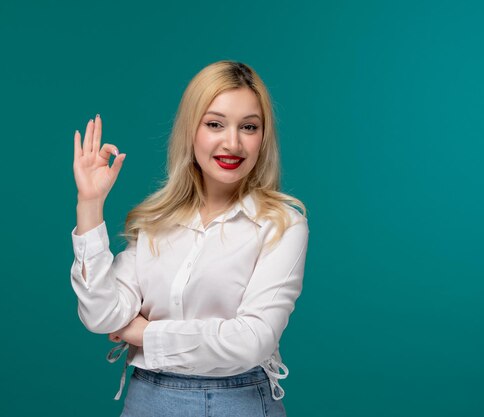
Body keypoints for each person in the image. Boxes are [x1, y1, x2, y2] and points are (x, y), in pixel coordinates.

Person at [70, 61, 309, 416]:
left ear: (263, 137)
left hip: (236, 402)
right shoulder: (156, 220)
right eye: (215, 124)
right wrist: (89, 205)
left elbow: (251, 341)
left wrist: (142, 333)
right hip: (145, 400)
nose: (233, 142)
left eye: (249, 127)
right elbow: (102, 315)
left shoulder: (282, 224)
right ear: (190, 131)